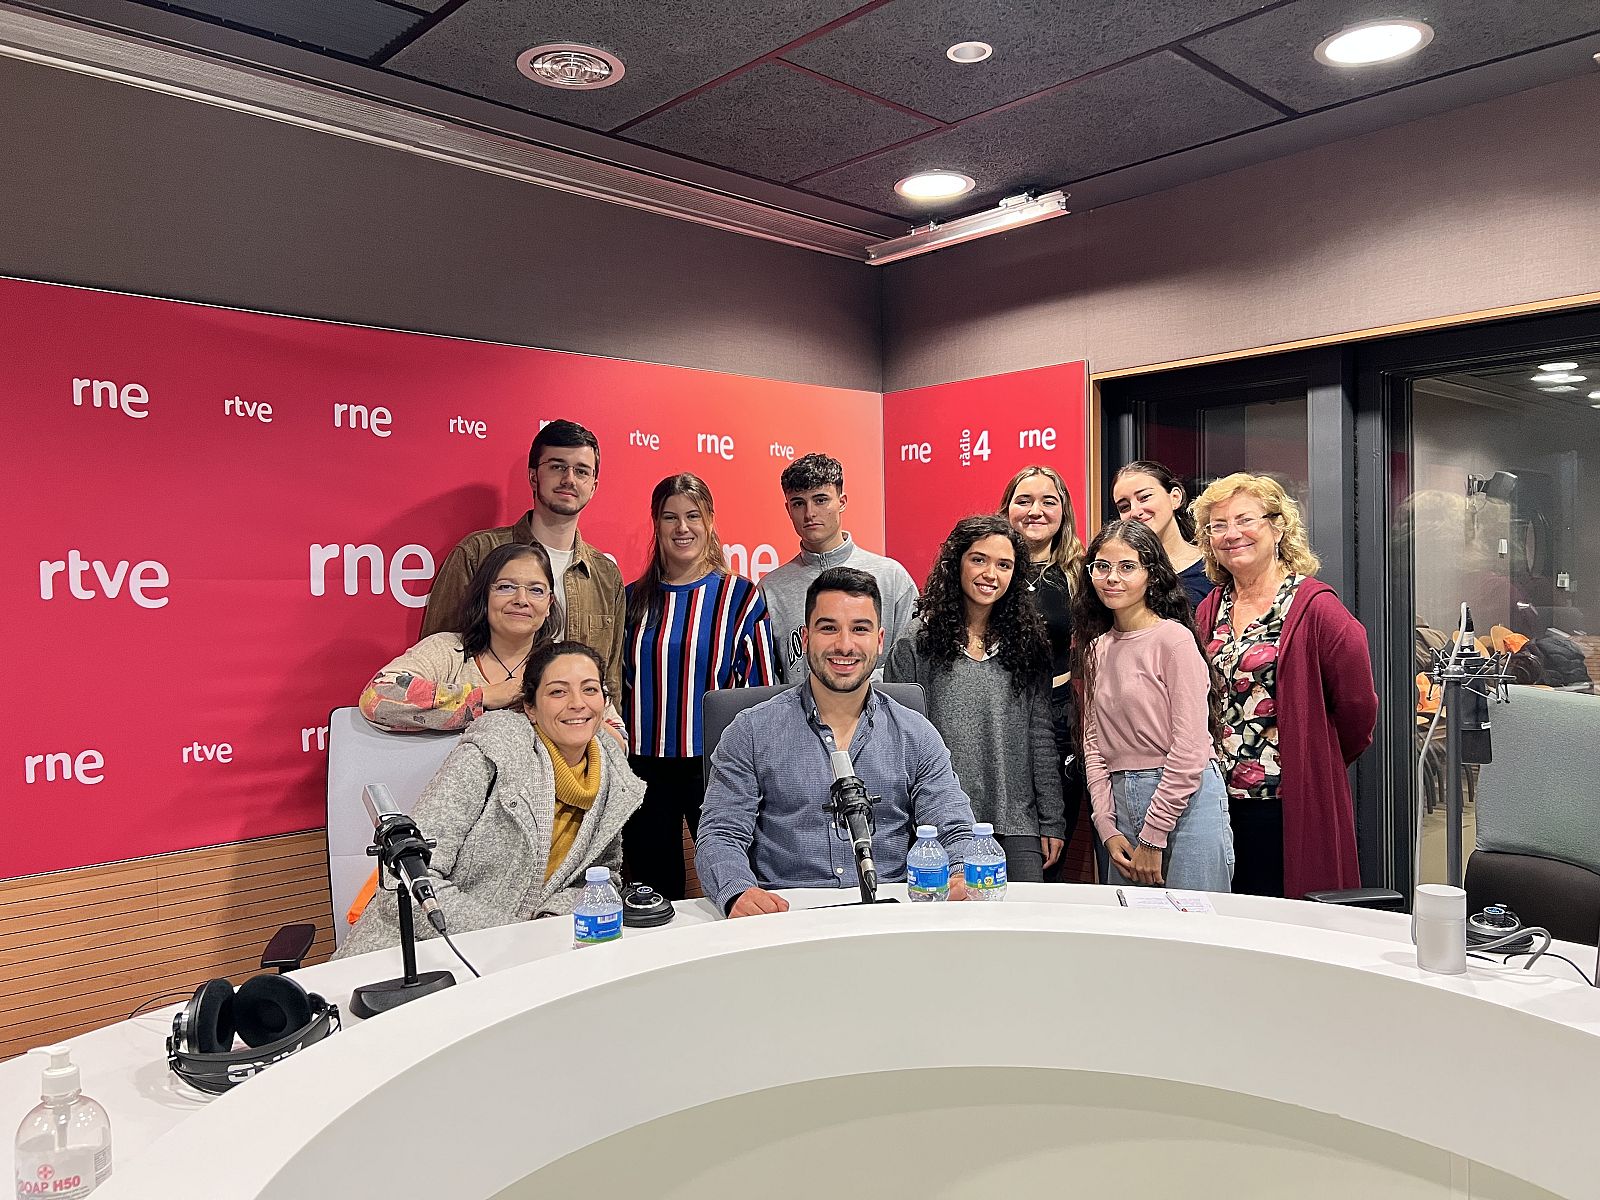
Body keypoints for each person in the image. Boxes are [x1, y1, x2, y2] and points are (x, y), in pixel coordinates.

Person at [335, 642, 645, 958]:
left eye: (590, 690)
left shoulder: (610, 776)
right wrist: (515, 936)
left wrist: (547, 925)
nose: (578, 704)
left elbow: (599, 877)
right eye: (557, 692)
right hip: (417, 952)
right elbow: (407, 881)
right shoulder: (489, 755)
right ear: (531, 708)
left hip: (531, 957)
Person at [696, 567, 974, 916]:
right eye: (829, 628)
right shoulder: (751, 732)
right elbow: (719, 835)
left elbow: (956, 828)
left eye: (860, 629)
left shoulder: (916, 734)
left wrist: (963, 871)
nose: (845, 644)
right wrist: (737, 891)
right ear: (805, 637)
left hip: (892, 920)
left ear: (880, 640)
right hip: (787, 922)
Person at [1191, 473, 1378, 899]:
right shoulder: (1210, 607)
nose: (1231, 534)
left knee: (1286, 925)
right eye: (1217, 525)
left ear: (1278, 526)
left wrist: (1316, 758)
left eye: (1244, 520)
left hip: (1286, 805)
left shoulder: (1316, 609)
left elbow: (1357, 710)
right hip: (1217, 802)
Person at [885, 515, 1065, 882]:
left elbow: (1041, 738)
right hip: (936, 824)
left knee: (1021, 931)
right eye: (979, 559)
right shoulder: (915, 643)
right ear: (956, 563)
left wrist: (1052, 818)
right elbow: (897, 743)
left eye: (1004, 565)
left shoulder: (1029, 646)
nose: (990, 574)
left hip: (1017, 822)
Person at [623, 473, 775, 899]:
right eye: (670, 517)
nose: (681, 527)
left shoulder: (740, 596)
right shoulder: (632, 599)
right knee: (654, 889)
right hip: (642, 767)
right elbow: (617, 683)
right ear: (656, 524)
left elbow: (760, 690)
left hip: (714, 765)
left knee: (729, 880)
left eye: (692, 516)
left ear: (709, 521)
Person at [1075, 519, 1233, 892]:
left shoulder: (1173, 640)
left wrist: (1153, 836)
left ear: (1152, 575)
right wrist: (1106, 826)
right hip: (1120, 803)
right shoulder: (1096, 648)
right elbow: (1094, 745)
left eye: (1127, 567)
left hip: (1186, 801)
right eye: (1101, 566)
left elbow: (1191, 748)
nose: (1112, 578)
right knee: (1137, 938)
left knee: (1197, 934)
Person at [420, 419, 626, 704]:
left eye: (581, 471)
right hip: (484, 730)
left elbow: (610, 680)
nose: (569, 478)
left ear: (593, 486)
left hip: (572, 738)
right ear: (533, 477)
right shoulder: (477, 552)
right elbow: (437, 661)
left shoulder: (605, 575)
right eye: (556, 466)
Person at [359, 542, 561, 732]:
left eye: (536, 590)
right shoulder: (447, 650)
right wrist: (484, 696)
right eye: (506, 587)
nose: (521, 600)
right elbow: (377, 695)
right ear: (484, 596)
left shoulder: (565, 662)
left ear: (549, 604)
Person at [760, 452, 918, 683]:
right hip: (798, 718)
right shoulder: (770, 589)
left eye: (821, 500)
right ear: (788, 509)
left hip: (879, 715)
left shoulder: (892, 578)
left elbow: (913, 664)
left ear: (841, 502)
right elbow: (767, 682)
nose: (810, 513)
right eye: (798, 503)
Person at [999, 464, 1086, 873]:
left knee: (1052, 852)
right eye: (1024, 501)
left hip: (1058, 723)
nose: (1036, 510)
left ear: (1063, 512)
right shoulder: (989, 569)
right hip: (998, 720)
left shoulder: (1082, 575)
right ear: (1007, 509)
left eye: (1048, 502)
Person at [1112, 460, 1213, 609]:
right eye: (1124, 507)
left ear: (1175, 498)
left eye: (1145, 497)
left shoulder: (1214, 567)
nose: (1135, 511)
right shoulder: (1118, 574)